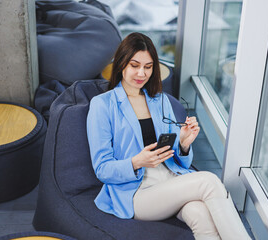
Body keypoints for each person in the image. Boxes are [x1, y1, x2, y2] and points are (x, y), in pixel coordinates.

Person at [87, 32, 250, 240]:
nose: (141, 73)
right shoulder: (102, 105)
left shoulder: (161, 101)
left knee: (199, 214)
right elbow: (102, 169)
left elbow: (179, 162)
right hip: (137, 192)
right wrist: (136, 162)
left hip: (171, 179)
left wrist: (183, 144)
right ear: (121, 64)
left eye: (148, 67)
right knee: (209, 181)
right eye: (135, 65)